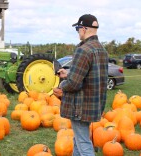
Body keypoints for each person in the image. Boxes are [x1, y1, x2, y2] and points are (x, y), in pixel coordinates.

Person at [53, 14, 108, 156]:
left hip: (80, 106)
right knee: (78, 139)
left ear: (84, 29)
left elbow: (74, 83)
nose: (77, 32)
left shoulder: (83, 50)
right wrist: (68, 73)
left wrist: (61, 87)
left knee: (83, 142)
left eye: (78, 28)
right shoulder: (102, 50)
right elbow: (88, 75)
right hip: (94, 105)